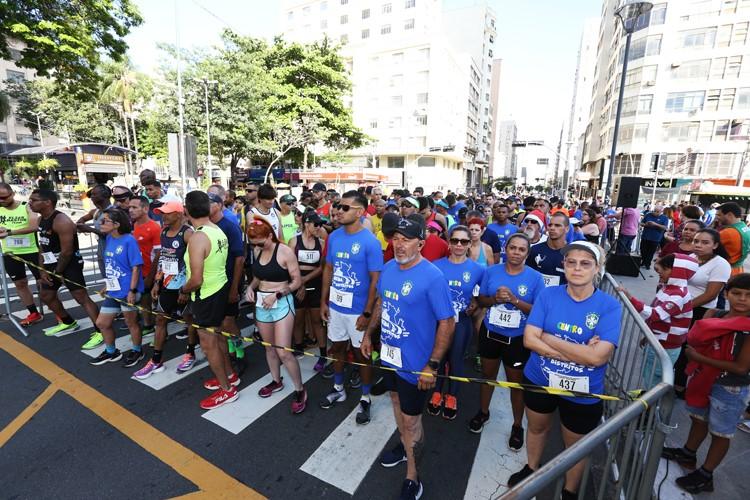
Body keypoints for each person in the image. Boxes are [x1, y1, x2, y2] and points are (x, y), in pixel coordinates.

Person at [509, 241, 621, 498]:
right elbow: (529, 340)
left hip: (583, 390)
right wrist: (580, 352)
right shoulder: (548, 295)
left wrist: (548, 338)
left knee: (576, 446)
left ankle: (569, 491)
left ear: (597, 269)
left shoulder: (609, 306)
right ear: (564, 266)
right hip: (540, 379)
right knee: (536, 428)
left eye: (585, 263)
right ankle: (531, 468)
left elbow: (598, 358)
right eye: (571, 262)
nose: (577, 268)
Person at [361, 216, 454, 500]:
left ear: (421, 243)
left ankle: (413, 476)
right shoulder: (389, 268)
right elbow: (382, 302)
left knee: (412, 421)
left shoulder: (433, 277)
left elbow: (447, 323)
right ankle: (404, 446)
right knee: (395, 402)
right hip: (390, 356)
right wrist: (368, 334)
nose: (399, 245)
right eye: (395, 239)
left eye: (406, 239)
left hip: (417, 366)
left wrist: (432, 365)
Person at [662, 273, 750, 494]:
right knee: (698, 419)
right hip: (702, 379)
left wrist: (699, 358)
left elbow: (741, 368)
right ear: (726, 293)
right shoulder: (716, 314)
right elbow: (695, 338)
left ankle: (706, 474)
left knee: (721, 432)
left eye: (749, 296)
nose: (742, 299)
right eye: (737, 293)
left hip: (730, 387)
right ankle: (688, 453)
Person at [470, 233, 545, 452]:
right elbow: (481, 299)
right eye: (513, 248)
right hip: (491, 333)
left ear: (527, 253)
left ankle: (517, 425)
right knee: (488, 376)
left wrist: (514, 301)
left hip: (518, 339)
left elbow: (539, 311)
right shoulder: (491, 271)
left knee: (516, 384)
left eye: (522, 249)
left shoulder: (535, 278)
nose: (516, 252)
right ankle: (483, 412)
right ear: (506, 249)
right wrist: (494, 300)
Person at [319, 190, 383, 424]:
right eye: (338, 206)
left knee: (361, 355)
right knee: (337, 348)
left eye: (345, 208)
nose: (338, 211)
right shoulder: (334, 237)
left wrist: (367, 313)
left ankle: (365, 397)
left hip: (358, 311)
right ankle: (338, 387)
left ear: (360, 212)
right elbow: (328, 269)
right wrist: (323, 301)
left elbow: (376, 281)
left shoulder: (370, 242)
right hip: (336, 307)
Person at [246, 216, 307, 413]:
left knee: (283, 351)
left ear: (270, 236)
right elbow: (259, 275)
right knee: (269, 348)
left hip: (281, 301)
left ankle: (300, 389)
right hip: (263, 302)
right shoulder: (257, 249)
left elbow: (296, 281)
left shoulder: (285, 251)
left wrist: (278, 294)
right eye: (254, 244)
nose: (258, 246)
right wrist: (250, 287)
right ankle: (276, 380)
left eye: (261, 242)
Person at [28, 189, 102, 348]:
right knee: (46, 295)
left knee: (81, 297)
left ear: (47, 202)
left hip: (69, 264)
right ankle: (68, 322)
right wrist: (42, 270)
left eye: (34, 200)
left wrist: (57, 273)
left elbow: (67, 251)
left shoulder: (62, 221)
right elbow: (42, 246)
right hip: (51, 264)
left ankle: (100, 331)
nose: (30, 203)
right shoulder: (41, 220)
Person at [181, 191, 235, 410]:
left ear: (187, 210)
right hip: (219, 287)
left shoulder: (198, 237)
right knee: (218, 337)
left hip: (206, 294)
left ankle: (226, 390)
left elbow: (196, 279)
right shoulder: (216, 229)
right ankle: (230, 376)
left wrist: (183, 291)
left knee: (208, 343)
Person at [134, 201, 196, 379]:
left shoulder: (188, 233)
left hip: (183, 287)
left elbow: (194, 263)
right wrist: (157, 282)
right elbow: (163, 259)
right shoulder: (163, 232)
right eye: (162, 213)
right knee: (160, 320)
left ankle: (190, 353)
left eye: (167, 213)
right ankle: (156, 360)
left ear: (178, 214)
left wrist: (185, 289)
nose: (164, 216)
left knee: (189, 320)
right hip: (167, 286)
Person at [429, 226, 485, 419]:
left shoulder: (477, 269)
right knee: (439, 356)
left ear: (470, 244)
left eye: (463, 241)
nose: (458, 245)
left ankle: (452, 395)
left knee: (456, 358)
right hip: (438, 321)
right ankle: (437, 392)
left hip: (461, 321)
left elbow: (483, 295)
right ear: (449, 242)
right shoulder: (436, 265)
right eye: (454, 240)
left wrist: (476, 302)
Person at [619, 253, 698, 388]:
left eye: (665, 269)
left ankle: (651, 405)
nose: (659, 271)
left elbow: (655, 314)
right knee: (649, 374)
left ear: (679, 272)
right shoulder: (667, 288)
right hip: (658, 341)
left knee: (654, 381)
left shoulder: (678, 295)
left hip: (666, 346)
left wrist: (630, 298)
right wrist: (649, 336)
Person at [672, 229, 733, 397]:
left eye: (705, 242)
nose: (698, 245)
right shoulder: (691, 258)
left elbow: (711, 294)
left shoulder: (720, 264)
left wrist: (684, 307)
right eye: (696, 241)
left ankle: (680, 386)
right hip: (681, 307)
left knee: (687, 348)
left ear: (715, 245)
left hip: (699, 310)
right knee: (674, 343)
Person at [90, 209, 145, 367]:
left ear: (117, 224)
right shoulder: (108, 238)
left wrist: (132, 291)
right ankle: (111, 351)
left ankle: (137, 350)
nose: (101, 223)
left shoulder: (129, 240)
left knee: (131, 323)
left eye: (105, 221)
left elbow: (136, 267)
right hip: (114, 290)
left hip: (128, 291)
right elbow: (112, 265)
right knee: (102, 323)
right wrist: (107, 285)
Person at [208, 192, 247, 371]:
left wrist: (234, 289)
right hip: (214, 284)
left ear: (218, 204)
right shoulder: (207, 226)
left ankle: (239, 353)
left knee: (228, 323)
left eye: (208, 203)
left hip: (230, 281)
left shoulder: (230, 227)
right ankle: (228, 352)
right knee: (219, 324)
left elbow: (240, 259)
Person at [0, 182, 43, 326]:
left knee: (43, 281)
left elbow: (34, 226)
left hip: (31, 250)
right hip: (10, 252)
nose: (1, 200)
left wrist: (9, 232)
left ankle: (58, 311)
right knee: (20, 283)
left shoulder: (26, 206)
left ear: (12, 193)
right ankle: (33, 313)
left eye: (4, 197)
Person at [289, 212, 327, 371]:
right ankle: (298, 347)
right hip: (297, 283)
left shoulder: (322, 242)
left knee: (317, 320)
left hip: (314, 283)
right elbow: (289, 264)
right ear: (306, 223)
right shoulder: (294, 241)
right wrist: (299, 283)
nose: (319, 227)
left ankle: (323, 354)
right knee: (298, 318)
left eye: (321, 224)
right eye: (316, 224)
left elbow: (322, 268)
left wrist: (304, 281)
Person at [129, 196, 161, 337]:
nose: (130, 210)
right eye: (130, 207)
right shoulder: (134, 224)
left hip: (151, 273)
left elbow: (159, 254)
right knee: (144, 300)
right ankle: (148, 325)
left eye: (134, 207)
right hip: (138, 271)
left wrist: (151, 276)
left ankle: (160, 330)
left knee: (153, 301)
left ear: (145, 208)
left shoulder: (154, 227)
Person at [76, 184, 114, 278]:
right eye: (91, 195)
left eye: (94, 194)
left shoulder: (114, 212)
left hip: (113, 251)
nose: (92, 197)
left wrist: (89, 229)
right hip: (101, 250)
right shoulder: (95, 211)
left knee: (114, 278)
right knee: (106, 280)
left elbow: (108, 233)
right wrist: (81, 225)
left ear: (105, 195)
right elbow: (81, 220)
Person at [526, 212, 569, 287]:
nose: (552, 228)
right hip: (538, 296)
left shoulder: (571, 253)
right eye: (550, 225)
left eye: (557, 225)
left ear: (567, 229)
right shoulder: (535, 250)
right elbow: (528, 276)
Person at [716, 202, 750, 276]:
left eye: (719, 215)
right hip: (738, 270)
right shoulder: (745, 229)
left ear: (729, 215)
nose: (717, 218)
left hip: (724, 272)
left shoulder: (728, 232)